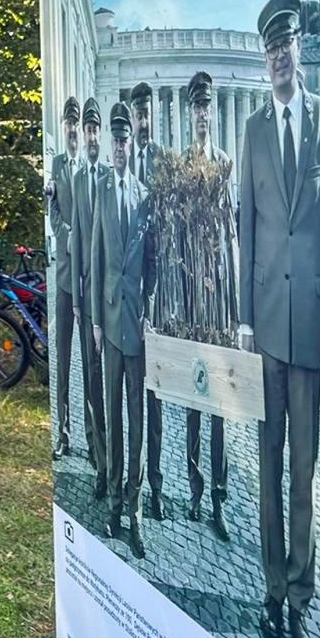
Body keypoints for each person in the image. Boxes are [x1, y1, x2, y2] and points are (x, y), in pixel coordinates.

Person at [237, 0, 320, 638]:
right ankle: (271, 589)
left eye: (288, 45)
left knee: (303, 471)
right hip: (265, 330)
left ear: (301, 48)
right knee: (268, 469)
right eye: (271, 49)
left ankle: (300, 600)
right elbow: (246, 225)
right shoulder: (251, 130)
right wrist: (244, 319)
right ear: (265, 58)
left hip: (309, 333)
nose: (280, 57)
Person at [154, 71, 236, 541]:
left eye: (208, 108)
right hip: (188, 301)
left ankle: (220, 498)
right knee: (192, 399)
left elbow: (231, 239)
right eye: (197, 109)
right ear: (189, 114)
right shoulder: (181, 168)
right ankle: (194, 487)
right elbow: (172, 240)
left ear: (213, 111)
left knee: (220, 402)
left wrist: (233, 303)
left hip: (218, 302)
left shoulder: (225, 165)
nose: (203, 115)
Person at [89, 101, 157, 559]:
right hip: (109, 324)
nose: (117, 147)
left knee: (138, 418)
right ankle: (112, 502)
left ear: (132, 144)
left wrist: (149, 305)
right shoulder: (100, 192)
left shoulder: (145, 194)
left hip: (138, 323)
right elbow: (94, 259)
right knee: (112, 416)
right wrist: (94, 319)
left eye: (123, 139)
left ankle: (133, 508)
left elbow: (150, 262)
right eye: (113, 140)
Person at [128, 81, 168, 520]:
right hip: (126, 289)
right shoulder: (119, 166)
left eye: (145, 113)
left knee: (153, 394)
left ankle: (155, 484)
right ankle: (132, 478)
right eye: (136, 113)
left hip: (153, 287)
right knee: (131, 393)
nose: (141, 120)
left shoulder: (162, 162)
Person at [71, 97, 109, 496]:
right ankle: (97, 455)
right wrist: (79, 302)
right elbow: (79, 236)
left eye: (97, 131)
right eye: (90, 131)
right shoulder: (81, 179)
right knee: (91, 378)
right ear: (83, 135)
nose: (94, 137)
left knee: (113, 382)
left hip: (112, 299)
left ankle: (112, 458)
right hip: (85, 289)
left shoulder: (111, 176)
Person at [46, 95, 82, 460]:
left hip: (88, 278)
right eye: (69, 124)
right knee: (62, 359)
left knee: (89, 362)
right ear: (64, 126)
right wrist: (66, 233)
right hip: (64, 276)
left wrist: (81, 238)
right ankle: (63, 433)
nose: (73, 129)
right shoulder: (56, 165)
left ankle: (92, 439)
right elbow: (51, 208)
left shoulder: (93, 165)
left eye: (77, 124)